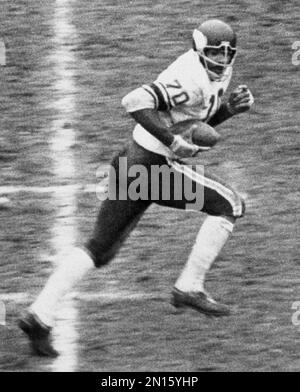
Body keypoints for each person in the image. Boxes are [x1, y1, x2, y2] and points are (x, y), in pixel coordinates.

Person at [19, 19, 254, 357]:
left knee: (99, 249)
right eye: (215, 52)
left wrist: (227, 110)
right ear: (199, 50)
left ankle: (39, 315)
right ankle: (189, 286)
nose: (222, 58)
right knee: (230, 204)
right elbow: (134, 100)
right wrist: (171, 139)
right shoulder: (189, 76)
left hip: (131, 163)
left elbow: (191, 124)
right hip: (153, 169)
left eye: (228, 53)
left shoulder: (217, 74)